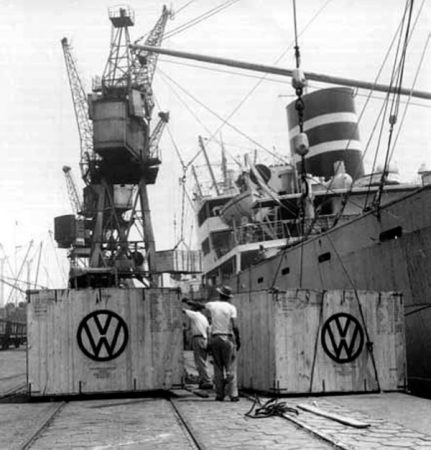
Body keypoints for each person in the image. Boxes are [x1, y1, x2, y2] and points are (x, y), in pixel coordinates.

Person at [185, 285, 240, 402]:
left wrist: (188, 301)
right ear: (229, 297)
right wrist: (238, 340)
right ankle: (233, 394)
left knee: (218, 367)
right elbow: (235, 326)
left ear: (220, 295)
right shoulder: (231, 308)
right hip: (227, 337)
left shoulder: (213, 305)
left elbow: (199, 305)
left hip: (215, 338)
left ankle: (219, 394)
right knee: (230, 366)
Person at [182, 303, 212, 390]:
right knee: (203, 360)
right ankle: (204, 380)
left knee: (200, 361)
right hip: (204, 338)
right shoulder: (203, 317)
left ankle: (207, 381)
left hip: (198, 338)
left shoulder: (195, 315)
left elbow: (183, 310)